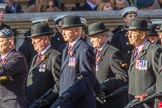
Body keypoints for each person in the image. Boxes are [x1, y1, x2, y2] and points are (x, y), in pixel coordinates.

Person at [50, 15, 96, 108]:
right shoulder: (65, 49)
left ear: (77, 30)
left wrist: (69, 94)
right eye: (62, 30)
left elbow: (87, 79)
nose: (63, 33)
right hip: (67, 103)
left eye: (66, 30)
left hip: (78, 103)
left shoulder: (84, 49)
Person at [88, 22, 128, 108]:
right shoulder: (94, 52)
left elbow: (122, 77)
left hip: (110, 100)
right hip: (97, 100)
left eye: (93, 37)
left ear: (102, 36)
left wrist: (102, 87)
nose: (91, 41)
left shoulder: (113, 53)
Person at [126, 18, 162, 108]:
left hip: (148, 102)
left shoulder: (154, 51)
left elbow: (160, 78)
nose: (129, 36)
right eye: (128, 33)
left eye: (133, 33)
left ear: (142, 35)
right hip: (134, 102)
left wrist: (147, 93)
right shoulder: (135, 51)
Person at [27, 22, 61, 108]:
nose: (32, 42)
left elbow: (58, 83)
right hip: (32, 103)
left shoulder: (54, 56)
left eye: (35, 38)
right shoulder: (36, 57)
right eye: (32, 39)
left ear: (46, 39)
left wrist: (47, 101)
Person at [0, 29, 28, 108]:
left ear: (11, 42)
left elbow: (2, 70)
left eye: (1, 41)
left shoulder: (17, 58)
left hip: (12, 104)